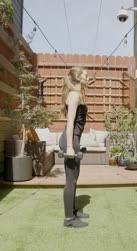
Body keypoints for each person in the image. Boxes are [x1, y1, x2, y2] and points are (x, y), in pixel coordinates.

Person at [59, 67, 90, 228]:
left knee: (75, 178)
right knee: (70, 180)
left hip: (75, 139)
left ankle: (73, 210)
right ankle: (68, 219)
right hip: (70, 140)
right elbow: (69, 122)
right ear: (77, 79)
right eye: (85, 75)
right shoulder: (74, 95)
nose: (88, 77)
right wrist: (70, 147)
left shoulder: (78, 94)